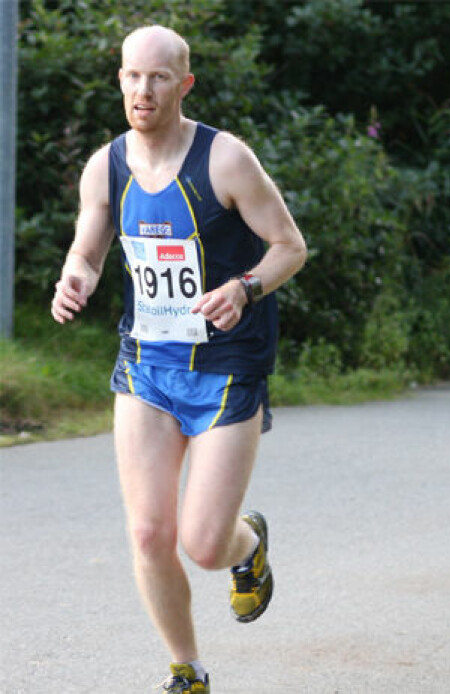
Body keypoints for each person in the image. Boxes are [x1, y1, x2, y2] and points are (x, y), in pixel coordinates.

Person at [50, 25, 308, 692]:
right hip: (146, 369)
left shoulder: (224, 160)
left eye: (159, 77)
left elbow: (289, 246)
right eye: (133, 76)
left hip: (225, 369)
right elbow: (88, 246)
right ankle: (187, 671)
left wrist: (244, 288)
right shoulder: (106, 165)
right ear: (119, 81)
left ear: (184, 84)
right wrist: (77, 275)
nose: (143, 89)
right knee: (146, 533)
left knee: (201, 542)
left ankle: (246, 546)